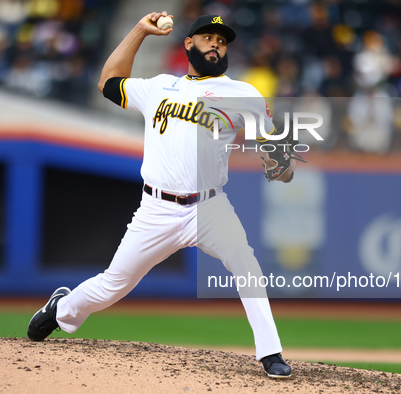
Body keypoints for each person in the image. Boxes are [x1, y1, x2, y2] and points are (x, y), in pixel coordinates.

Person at [27, 11, 293, 379]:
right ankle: (61, 310)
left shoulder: (243, 94)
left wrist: (279, 163)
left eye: (222, 39)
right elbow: (108, 82)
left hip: (210, 206)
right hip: (156, 208)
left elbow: (275, 149)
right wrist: (138, 30)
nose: (216, 42)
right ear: (188, 44)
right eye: (207, 36)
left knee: (247, 267)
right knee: (113, 285)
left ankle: (271, 354)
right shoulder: (159, 87)